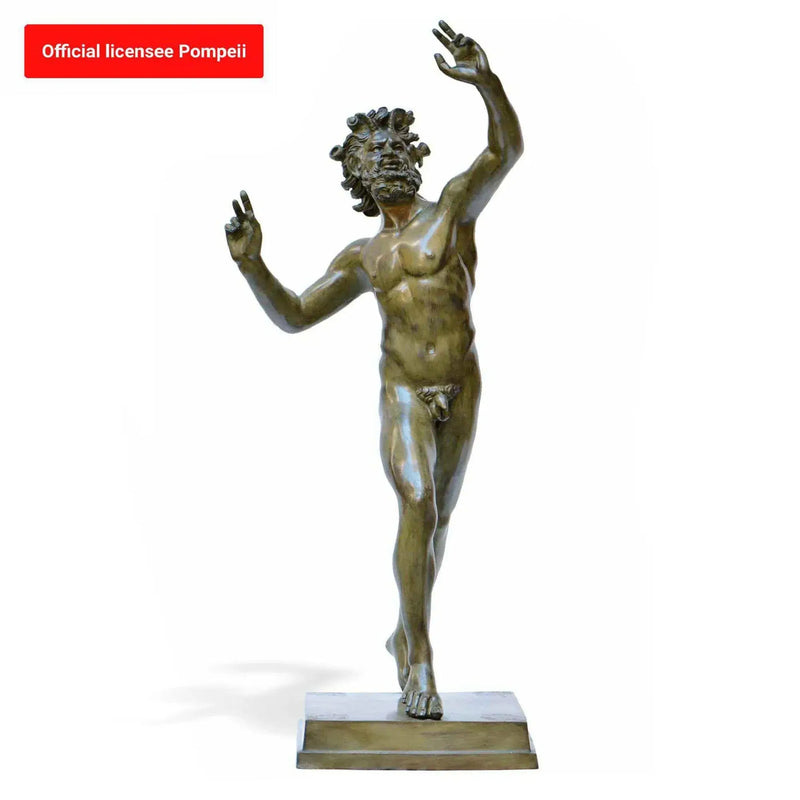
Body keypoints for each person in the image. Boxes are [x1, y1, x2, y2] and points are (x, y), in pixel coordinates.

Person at [225, 21, 523, 720]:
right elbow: (296, 313)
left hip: (463, 386)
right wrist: (252, 265)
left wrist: (487, 83)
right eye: (371, 153)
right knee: (417, 502)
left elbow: (505, 150)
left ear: (414, 157)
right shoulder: (364, 257)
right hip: (404, 394)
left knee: (437, 523)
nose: (386, 158)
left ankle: (402, 630)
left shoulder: (453, 211)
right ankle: (420, 657)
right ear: (355, 176)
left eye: (394, 146)